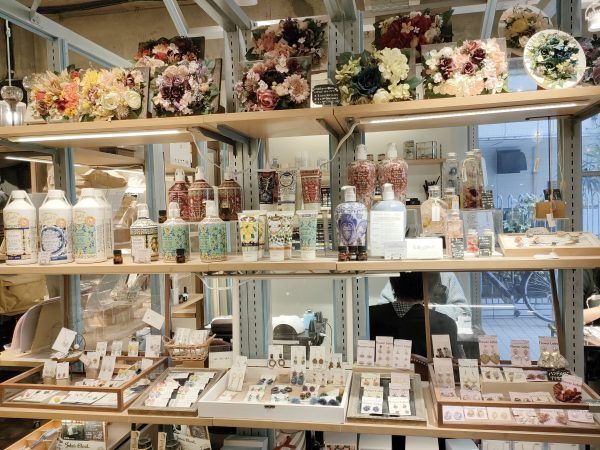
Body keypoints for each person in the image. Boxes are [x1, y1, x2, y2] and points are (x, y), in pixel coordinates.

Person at [369, 272, 460, 358]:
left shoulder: (369, 316)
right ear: (430, 287)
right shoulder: (445, 324)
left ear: (392, 283)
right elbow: (452, 365)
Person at [379, 272, 471, 322]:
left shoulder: (446, 274)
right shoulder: (402, 272)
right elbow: (383, 308)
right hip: (404, 330)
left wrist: (432, 307)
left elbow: (464, 313)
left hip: (437, 329)